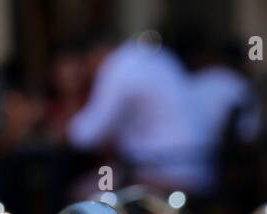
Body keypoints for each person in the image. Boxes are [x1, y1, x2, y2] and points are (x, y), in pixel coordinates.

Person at [66, 31, 211, 193]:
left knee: (84, 193)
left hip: (162, 169)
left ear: (95, 56)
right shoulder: (158, 56)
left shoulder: (118, 65)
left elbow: (85, 135)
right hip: (200, 166)